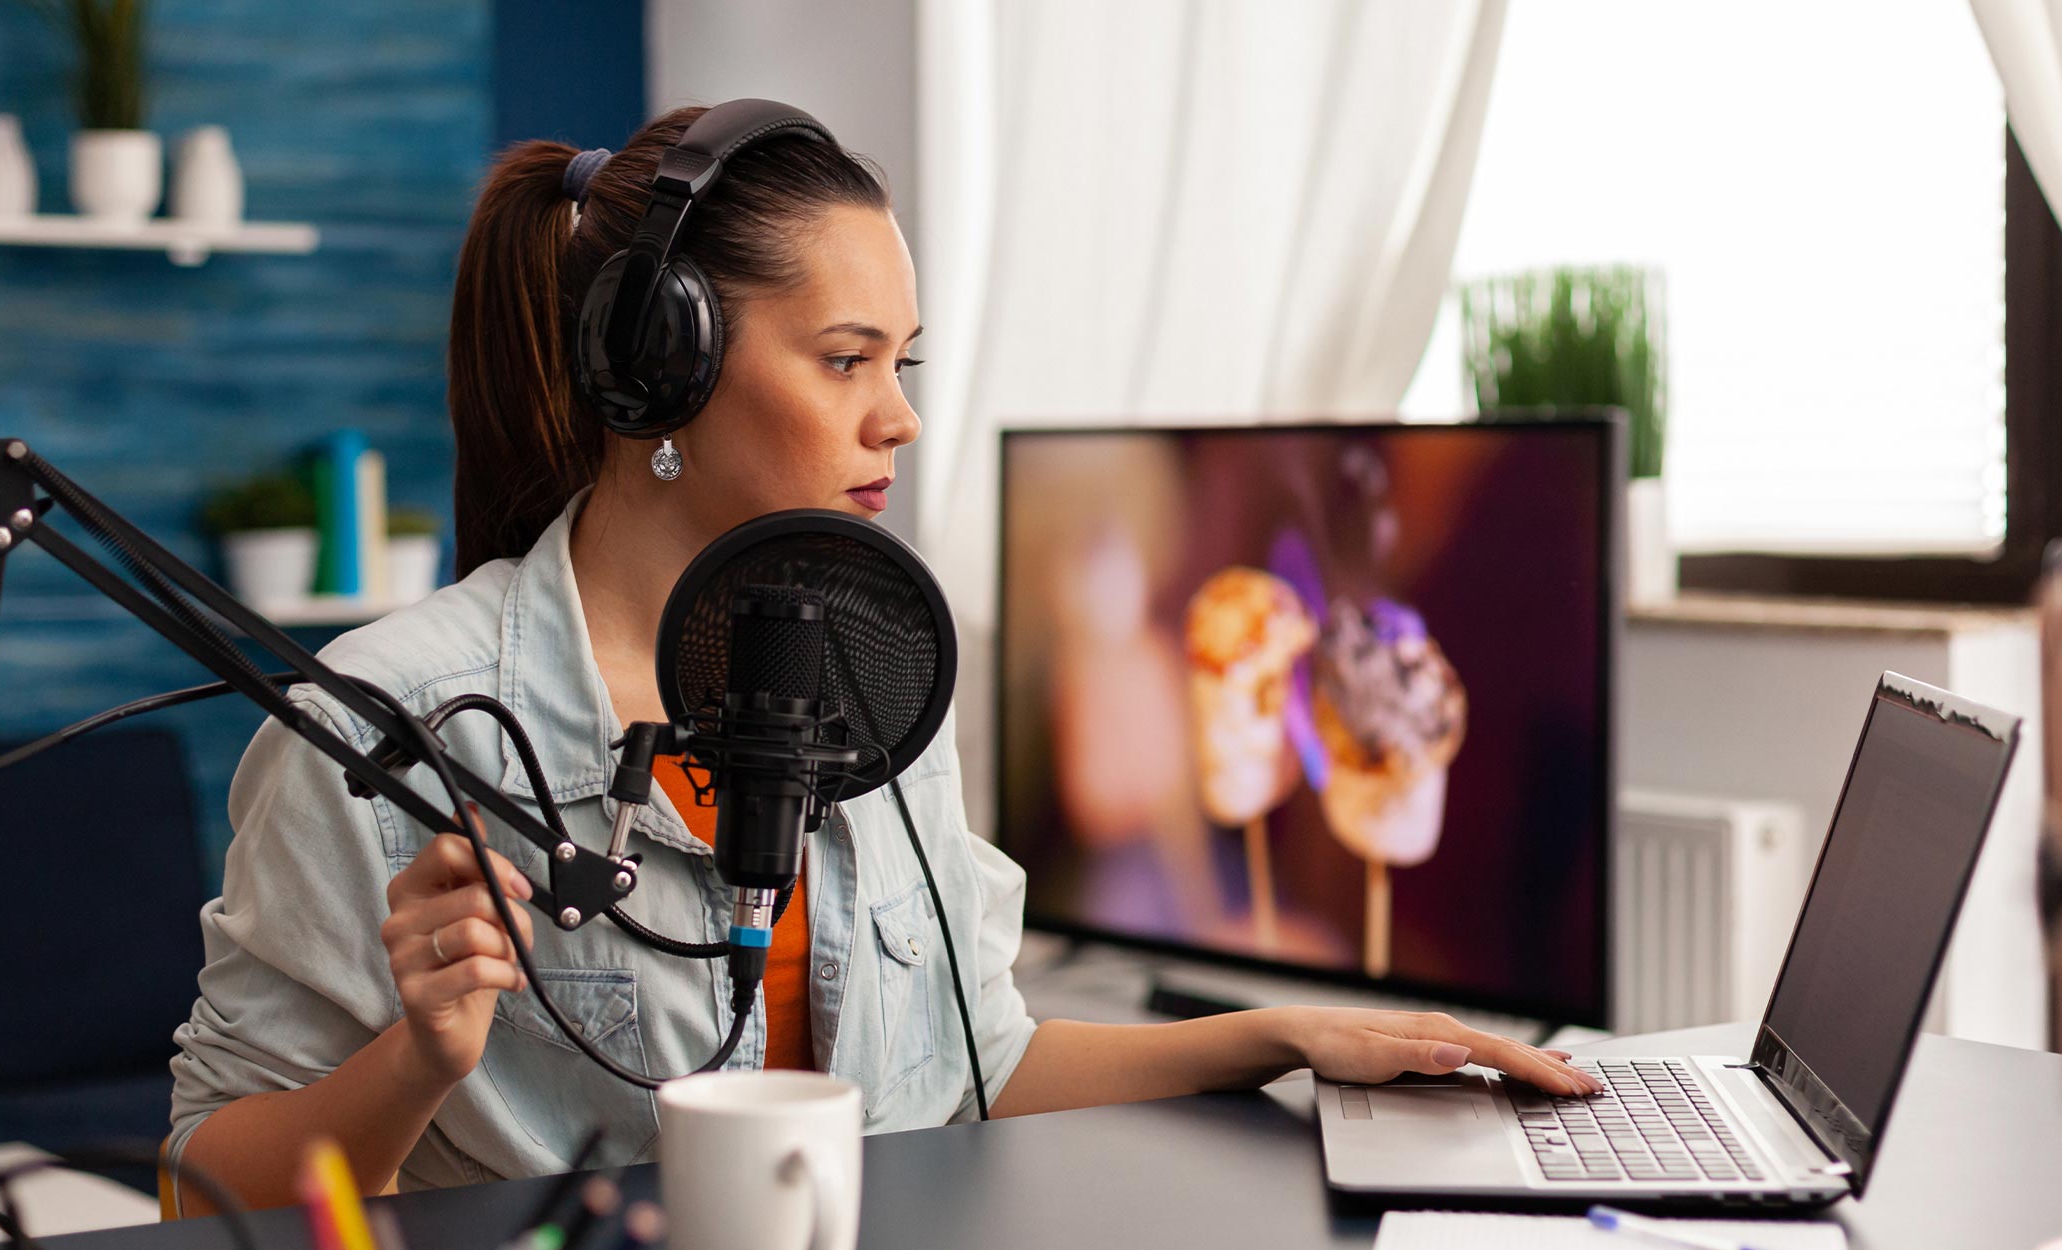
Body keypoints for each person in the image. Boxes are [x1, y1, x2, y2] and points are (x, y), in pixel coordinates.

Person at [166, 103, 1600, 1213]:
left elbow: (981, 1067)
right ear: (659, 368)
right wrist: (419, 1057)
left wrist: (1284, 1033)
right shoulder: (394, 723)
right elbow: (201, 1185)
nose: (899, 418)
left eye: (902, 365)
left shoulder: (879, 671)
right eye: (846, 359)